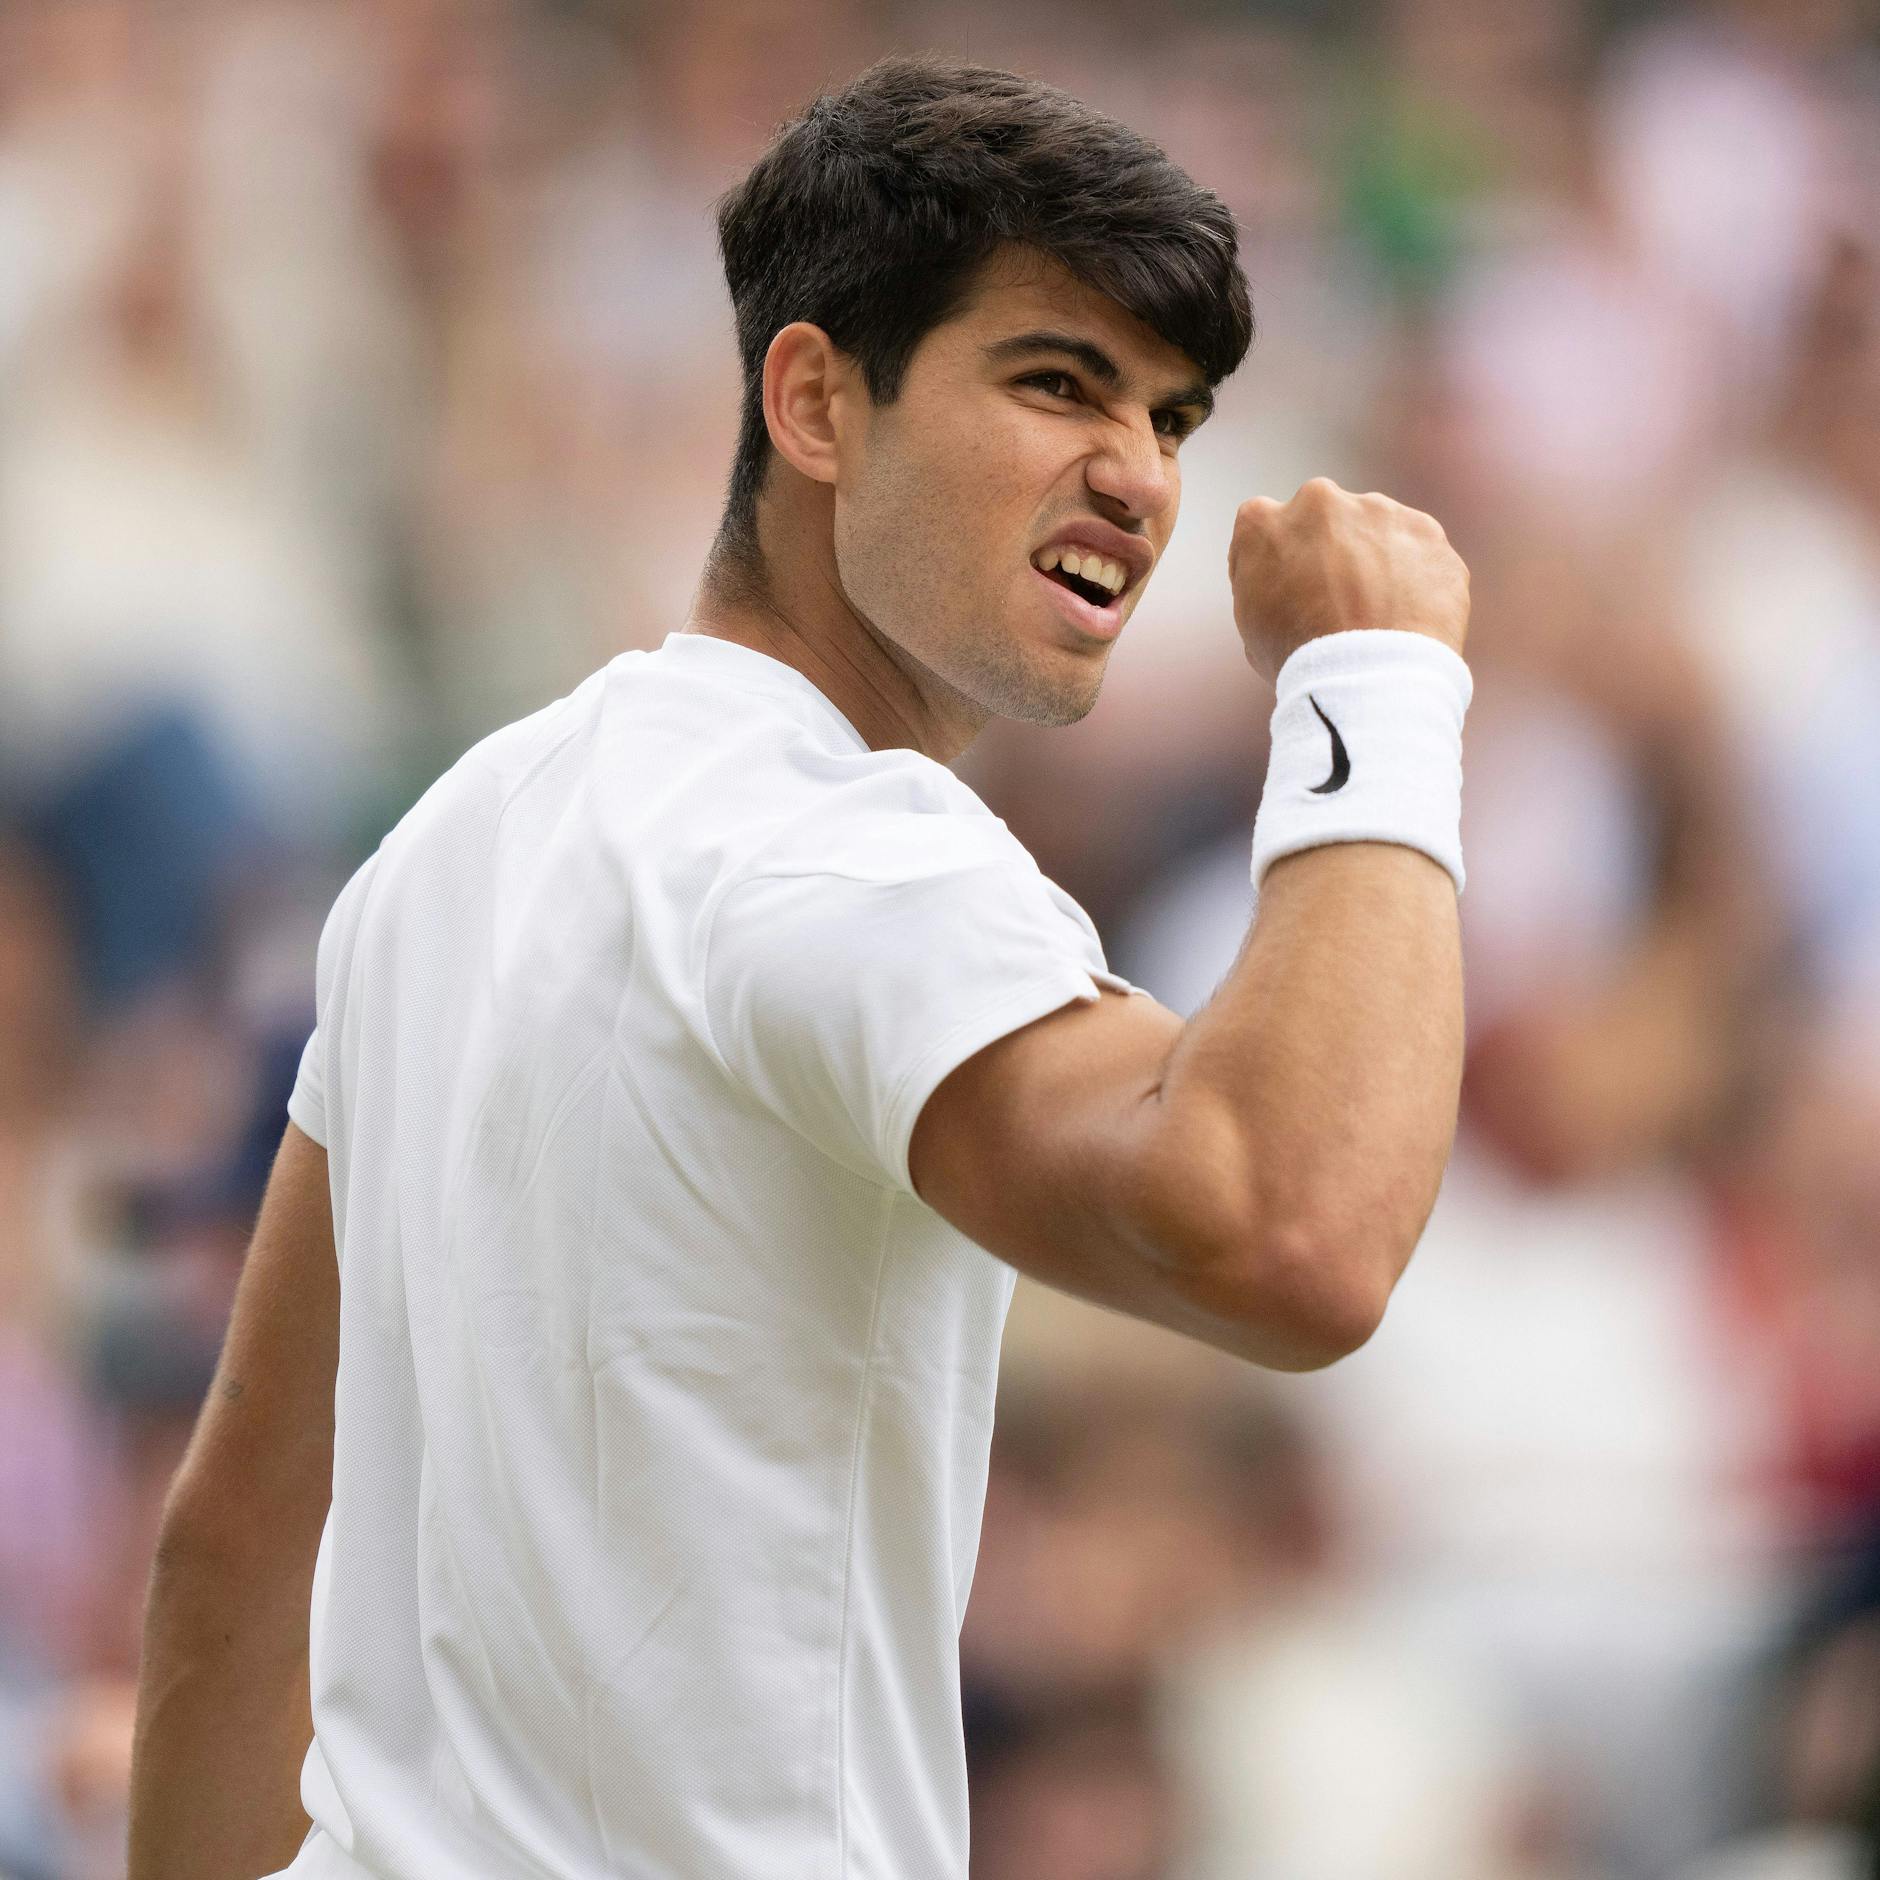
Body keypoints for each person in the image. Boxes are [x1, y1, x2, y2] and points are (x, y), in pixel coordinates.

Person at [125, 53, 1473, 1880]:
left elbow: (233, 1553)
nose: (1139, 479)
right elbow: (1294, 1231)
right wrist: (1374, 686)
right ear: (818, 401)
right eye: (1058, 380)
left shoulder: (448, 842)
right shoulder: (850, 846)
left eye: (1171, 416)